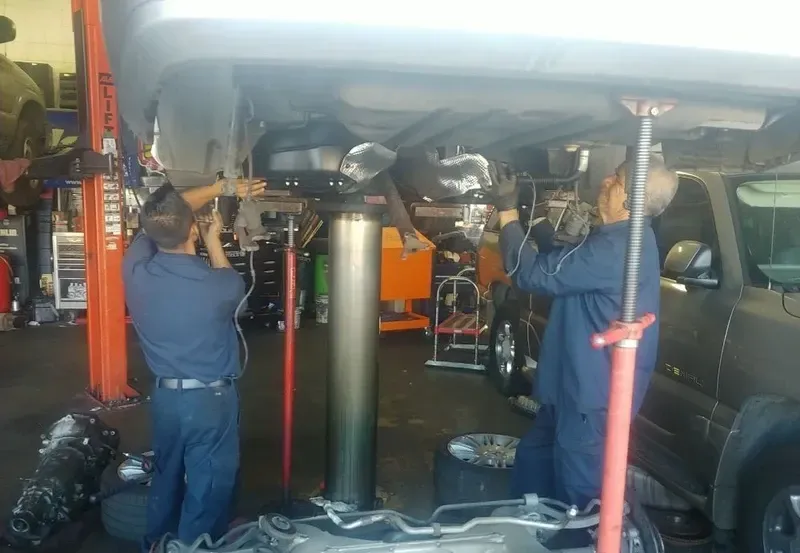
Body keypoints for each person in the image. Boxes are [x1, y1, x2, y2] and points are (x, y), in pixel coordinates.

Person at [489, 156, 678, 512]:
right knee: (535, 465)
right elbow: (568, 260)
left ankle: (576, 542)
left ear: (631, 199)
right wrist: (542, 222)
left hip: (590, 398)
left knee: (580, 492)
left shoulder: (616, 249)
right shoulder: (619, 239)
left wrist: (507, 211)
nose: (606, 179)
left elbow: (533, 276)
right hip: (571, 388)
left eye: (616, 178)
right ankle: (529, 532)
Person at [123, 178, 266, 552]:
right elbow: (235, 293)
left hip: (167, 399)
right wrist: (215, 234)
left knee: (167, 473)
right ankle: (192, 546)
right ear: (192, 230)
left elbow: (160, 212)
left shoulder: (135, 270)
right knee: (209, 482)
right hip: (210, 401)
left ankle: (155, 542)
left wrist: (220, 187)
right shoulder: (218, 286)